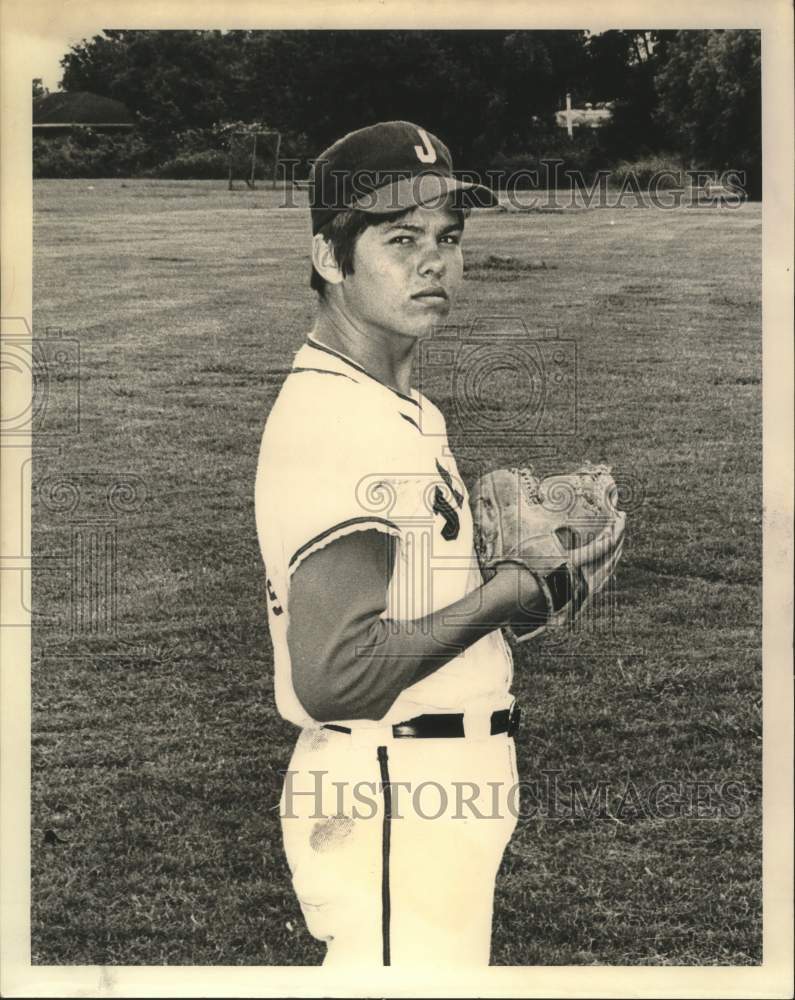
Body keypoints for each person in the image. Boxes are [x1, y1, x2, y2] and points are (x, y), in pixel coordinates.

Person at [255, 121, 563, 967]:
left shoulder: (404, 407)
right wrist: (510, 589)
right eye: (400, 240)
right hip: (391, 789)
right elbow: (334, 674)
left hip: (433, 781)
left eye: (447, 238)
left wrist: (510, 582)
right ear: (329, 257)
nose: (435, 262)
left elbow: (417, 605)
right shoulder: (336, 420)